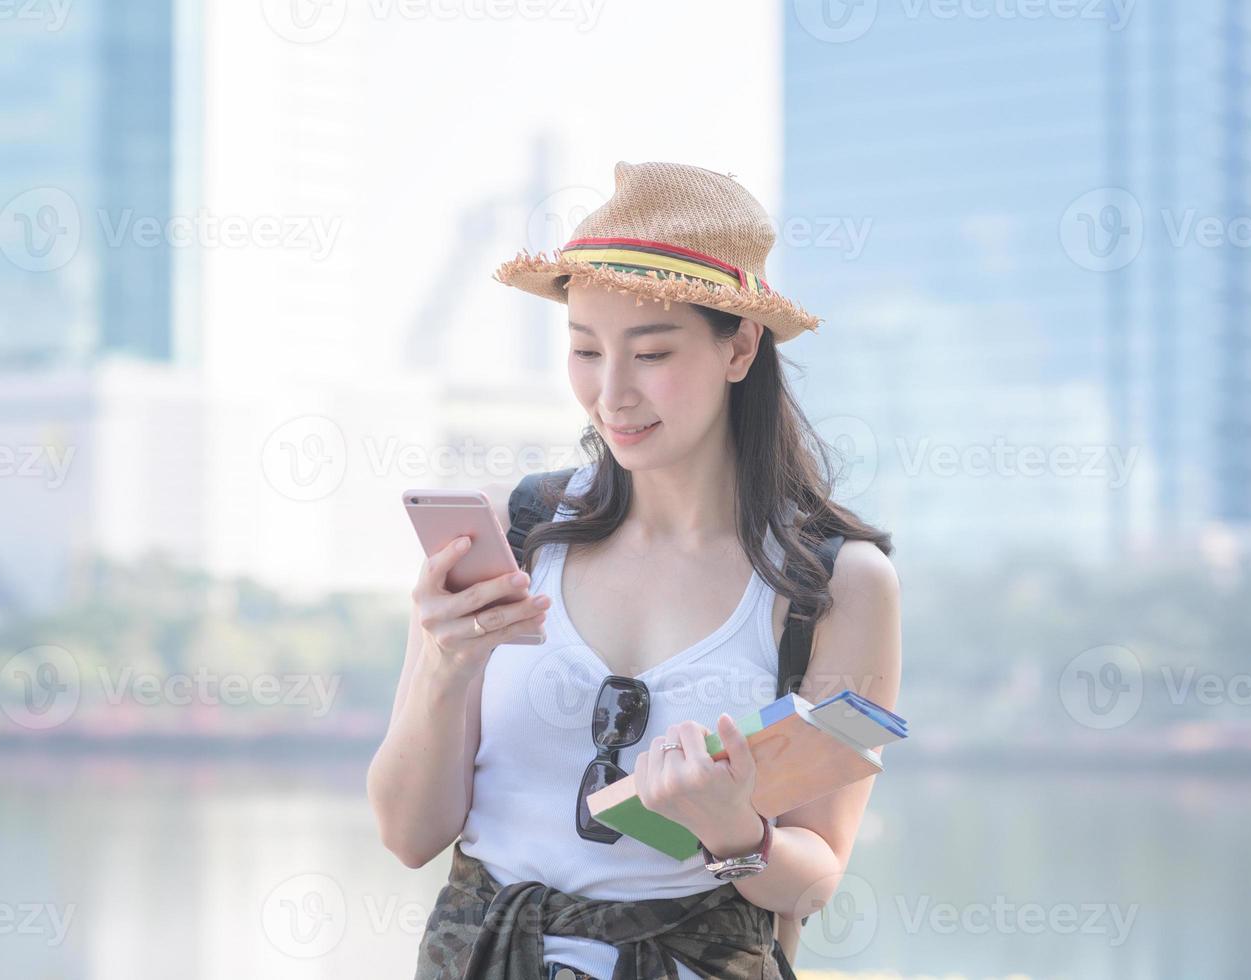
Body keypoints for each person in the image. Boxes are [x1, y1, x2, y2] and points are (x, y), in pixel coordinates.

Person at [367, 160, 903, 980]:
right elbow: (408, 836)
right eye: (585, 350)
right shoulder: (516, 536)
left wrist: (736, 835)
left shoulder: (837, 584)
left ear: (741, 346)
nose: (611, 393)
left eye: (651, 352)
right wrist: (446, 666)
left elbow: (817, 877)